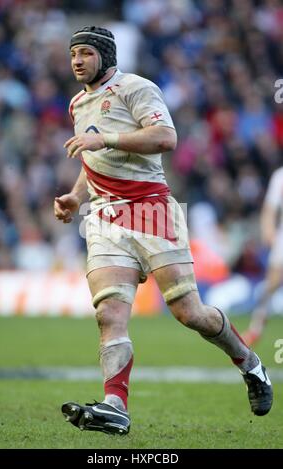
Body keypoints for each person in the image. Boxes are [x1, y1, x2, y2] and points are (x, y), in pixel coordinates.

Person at [54, 26, 273, 436]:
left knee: (190, 313)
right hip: (103, 218)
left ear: (104, 55)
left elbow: (166, 137)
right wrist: (74, 196)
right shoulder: (77, 104)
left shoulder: (136, 88)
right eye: (73, 54)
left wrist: (107, 139)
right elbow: (93, 157)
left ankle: (249, 363)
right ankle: (115, 405)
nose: (77, 61)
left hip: (151, 210)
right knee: (109, 312)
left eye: (85, 53)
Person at [242, 167, 283, 346]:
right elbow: (269, 208)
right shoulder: (280, 176)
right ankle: (255, 328)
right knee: (271, 284)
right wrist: (269, 230)